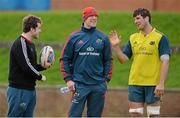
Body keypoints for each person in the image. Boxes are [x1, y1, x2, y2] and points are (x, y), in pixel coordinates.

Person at [109, 8, 170, 117]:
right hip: (135, 83)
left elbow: (166, 61)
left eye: (138, 18)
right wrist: (116, 47)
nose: (135, 21)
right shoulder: (133, 38)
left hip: (153, 84)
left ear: (147, 18)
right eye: (134, 19)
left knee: (153, 115)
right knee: (135, 115)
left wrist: (161, 83)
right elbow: (123, 60)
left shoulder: (161, 38)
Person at [60, 7, 113, 117]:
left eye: (96, 16)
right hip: (79, 85)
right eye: (91, 16)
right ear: (84, 18)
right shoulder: (74, 37)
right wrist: (68, 80)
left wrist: (106, 80)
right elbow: (64, 58)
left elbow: (108, 60)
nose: (94, 18)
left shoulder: (103, 38)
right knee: (74, 115)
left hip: (98, 85)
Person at [7, 15, 47, 117]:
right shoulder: (21, 44)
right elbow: (26, 66)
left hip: (30, 90)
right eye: (38, 28)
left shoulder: (31, 45)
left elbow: (32, 66)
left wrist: (44, 66)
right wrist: (40, 76)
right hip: (19, 91)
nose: (40, 31)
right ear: (31, 28)